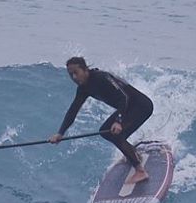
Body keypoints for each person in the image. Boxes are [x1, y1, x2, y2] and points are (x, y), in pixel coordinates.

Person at [50, 56, 154, 186]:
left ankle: (140, 171)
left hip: (141, 106)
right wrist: (60, 133)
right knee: (105, 132)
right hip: (128, 108)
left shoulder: (101, 78)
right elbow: (73, 110)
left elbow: (124, 97)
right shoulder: (83, 88)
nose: (74, 77)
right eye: (71, 75)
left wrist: (118, 121)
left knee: (116, 135)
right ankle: (134, 154)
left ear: (85, 70)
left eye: (76, 73)